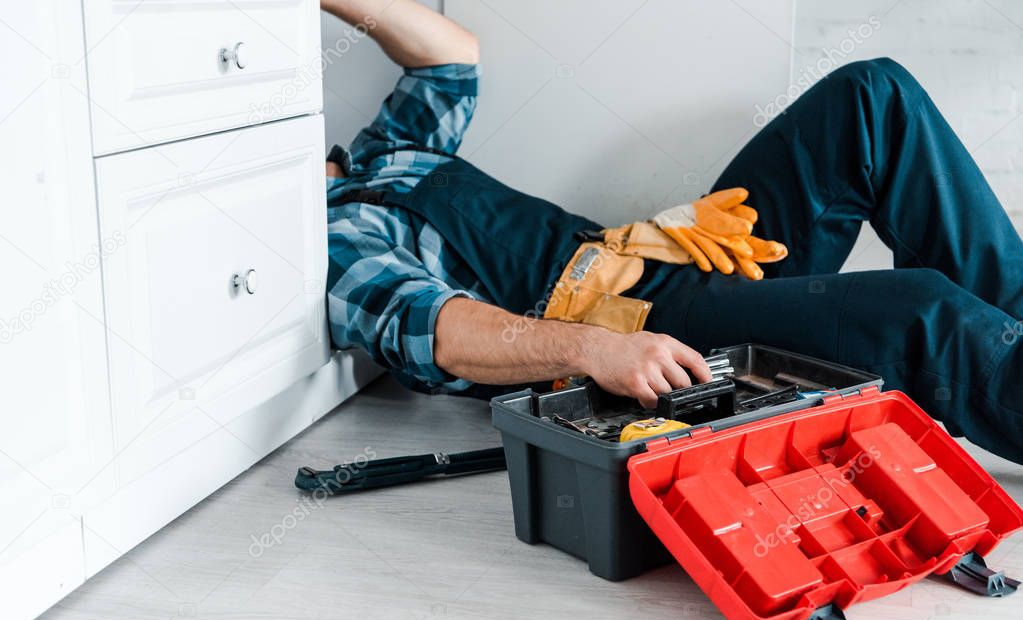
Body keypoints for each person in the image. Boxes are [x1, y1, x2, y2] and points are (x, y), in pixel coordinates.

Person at [320, 0, 1023, 464]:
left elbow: (450, 55)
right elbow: (442, 333)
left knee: (873, 96)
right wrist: (600, 348)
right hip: (643, 336)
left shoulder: (384, 150)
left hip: (668, 249)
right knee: (923, 314)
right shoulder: (334, 240)